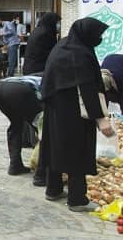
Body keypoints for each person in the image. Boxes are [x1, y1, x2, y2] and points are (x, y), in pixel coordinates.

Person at [40, 18, 115, 212]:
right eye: (97, 35)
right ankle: (77, 199)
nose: (99, 38)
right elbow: (87, 88)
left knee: (56, 147)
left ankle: (53, 189)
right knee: (77, 151)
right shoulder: (80, 53)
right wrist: (100, 118)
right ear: (87, 34)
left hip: (55, 107)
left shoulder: (63, 45)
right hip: (74, 111)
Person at [0, 75, 43, 176]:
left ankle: (15, 166)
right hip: (19, 91)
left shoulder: (37, 75)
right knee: (42, 129)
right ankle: (41, 174)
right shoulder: (53, 79)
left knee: (15, 125)